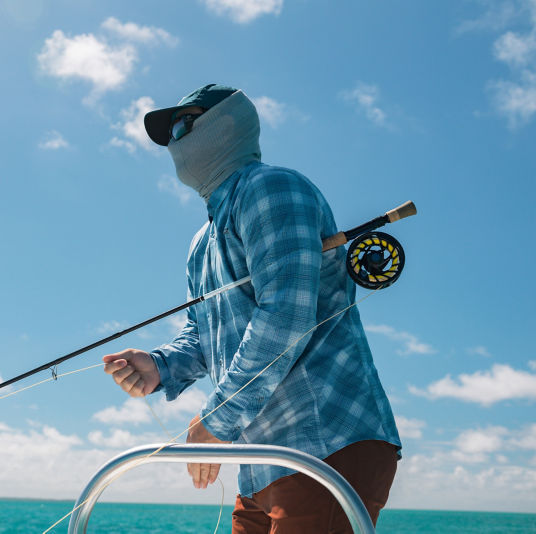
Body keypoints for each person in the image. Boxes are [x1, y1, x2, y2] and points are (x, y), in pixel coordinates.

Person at [102, 83, 401, 534]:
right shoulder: (200, 244)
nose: (174, 144)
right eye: (170, 136)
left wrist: (215, 420)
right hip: (260, 464)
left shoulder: (272, 187)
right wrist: (159, 366)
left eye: (182, 127)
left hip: (326, 444)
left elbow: (285, 316)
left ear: (227, 123)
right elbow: (203, 336)